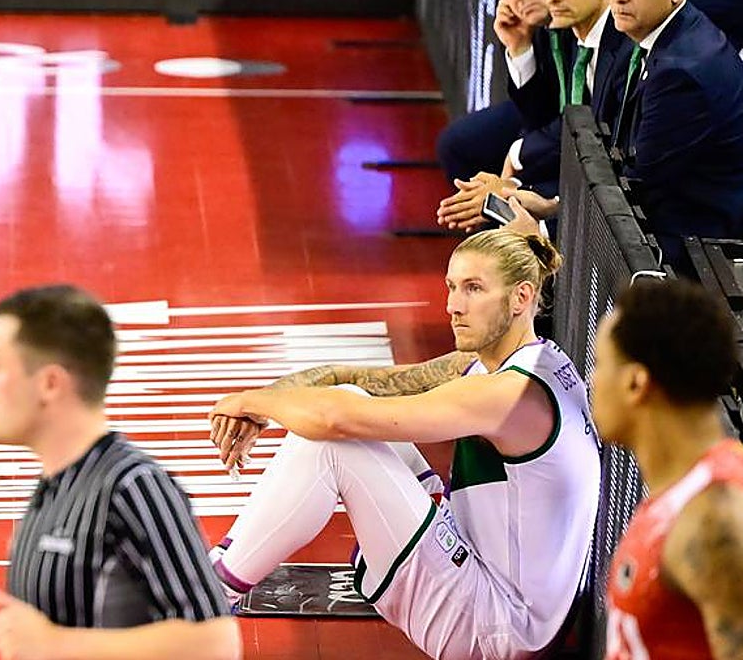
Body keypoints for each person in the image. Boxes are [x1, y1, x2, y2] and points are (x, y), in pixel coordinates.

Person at [209, 230, 600, 660]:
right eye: (452, 287)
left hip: (497, 630)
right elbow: (352, 383)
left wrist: (248, 401)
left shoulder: (508, 394)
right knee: (355, 406)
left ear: (521, 297)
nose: (453, 306)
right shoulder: (532, 360)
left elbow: (333, 419)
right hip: (507, 601)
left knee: (332, 444)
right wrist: (267, 405)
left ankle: (207, 595)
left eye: (474, 289)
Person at [0, 285, 241, 660]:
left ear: (50, 383)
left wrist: (58, 646)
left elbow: (216, 643)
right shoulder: (53, 486)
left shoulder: (134, 485)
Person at [438, 0, 632, 234]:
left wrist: (517, 163)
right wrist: (519, 47)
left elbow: (591, 126)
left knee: (499, 177)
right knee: (461, 148)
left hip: (596, 160)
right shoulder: (546, 21)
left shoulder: (583, 17)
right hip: (565, 139)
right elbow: (544, 116)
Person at [591, 278, 743, 659]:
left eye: (599, 365)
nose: (591, 380)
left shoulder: (715, 520)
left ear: (635, 383)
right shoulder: (684, 494)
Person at [604, 0, 743, 271]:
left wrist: (552, 212)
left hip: (695, 248)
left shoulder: (681, 71)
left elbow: (639, 187)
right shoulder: (667, 31)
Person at [435, 0, 548, 184]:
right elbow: (537, 113)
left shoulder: (568, 13)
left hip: (569, 135)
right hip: (546, 119)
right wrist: (519, 47)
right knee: (457, 144)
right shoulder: (531, 24)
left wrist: (519, 156)